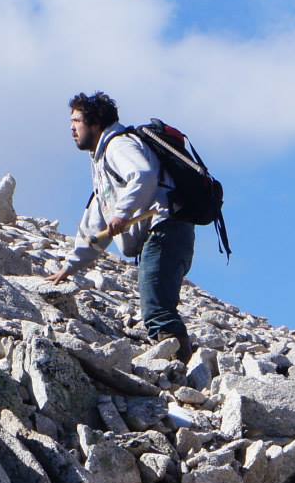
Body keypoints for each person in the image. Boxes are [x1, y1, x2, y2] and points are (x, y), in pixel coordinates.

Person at [48, 91, 195, 359]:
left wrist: (123, 213)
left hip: (166, 229)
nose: (72, 128)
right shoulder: (102, 160)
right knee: (156, 303)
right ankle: (178, 364)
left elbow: (143, 174)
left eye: (77, 121)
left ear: (95, 123)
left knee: (157, 307)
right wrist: (70, 266)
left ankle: (180, 370)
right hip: (164, 233)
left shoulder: (119, 146)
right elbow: (97, 217)